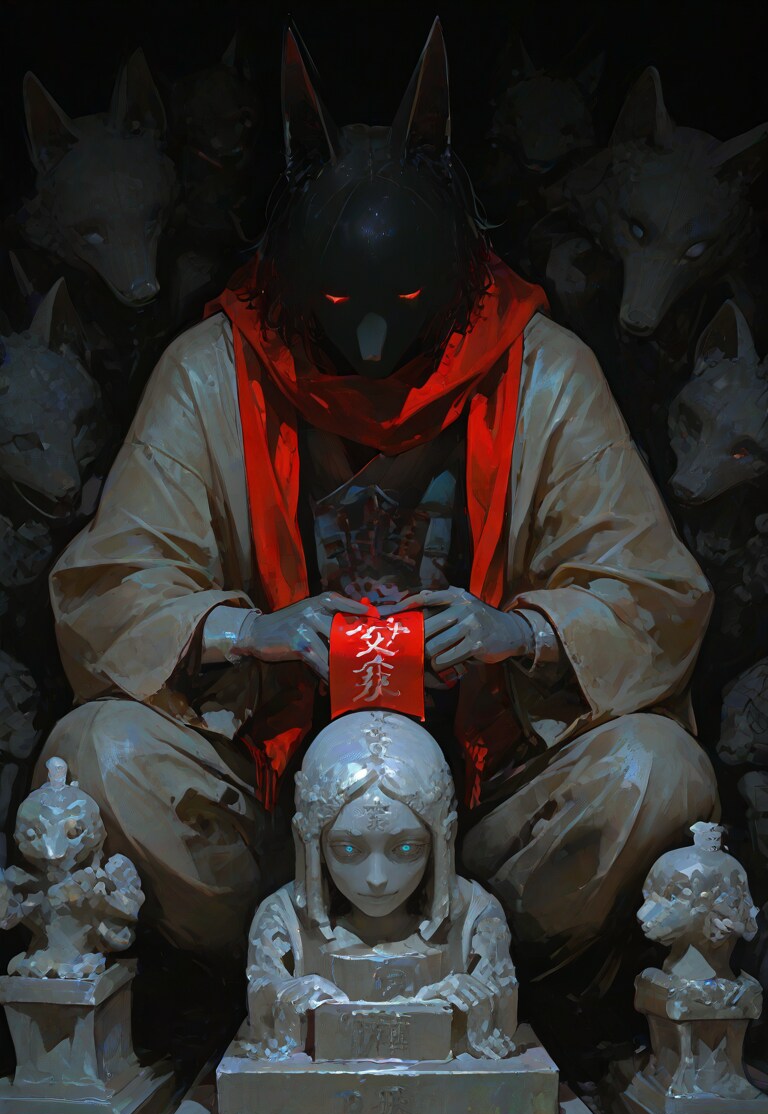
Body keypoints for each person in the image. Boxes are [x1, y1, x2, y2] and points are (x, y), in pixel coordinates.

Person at [40, 23, 717, 1023]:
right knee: (98, 749)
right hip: (272, 814)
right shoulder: (218, 368)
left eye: (400, 304)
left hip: (482, 816)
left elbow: (653, 592)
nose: (366, 344)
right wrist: (248, 631)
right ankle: (279, 953)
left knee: (658, 772)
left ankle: (481, 953)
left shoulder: (539, 369)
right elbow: (112, 585)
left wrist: (521, 631)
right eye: (337, 307)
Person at [246, 710, 518, 1059]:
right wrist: (289, 1013)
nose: (376, 878)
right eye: (348, 849)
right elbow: (266, 1038)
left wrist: (474, 1017)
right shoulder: (283, 922)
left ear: (442, 838)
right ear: (310, 840)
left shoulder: (475, 919)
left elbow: (501, 1034)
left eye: (405, 849)